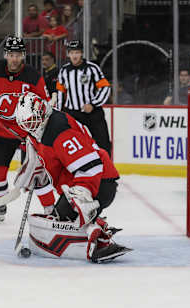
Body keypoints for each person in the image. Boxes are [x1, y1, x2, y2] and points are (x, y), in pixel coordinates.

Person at [12, 91, 131, 263]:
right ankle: (97, 228)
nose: (30, 126)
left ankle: (97, 237)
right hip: (79, 184)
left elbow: (90, 166)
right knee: (58, 219)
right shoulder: (40, 127)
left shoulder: (59, 130)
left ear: (41, 112)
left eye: (32, 121)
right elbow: (41, 165)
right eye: (26, 123)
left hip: (99, 183)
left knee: (67, 219)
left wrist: (82, 197)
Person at [0, 35, 50, 223]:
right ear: (6, 55)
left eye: (18, 54)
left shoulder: (33, 77)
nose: (14, 59)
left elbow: (46, 105)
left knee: (35, 175)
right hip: (2, 132)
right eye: (11, 54)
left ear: (23, 55)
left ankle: (50, 210)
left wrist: (37, 128)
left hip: (27, 135)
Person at [56, 40, 112, 156]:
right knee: (73, 145)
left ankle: (106, 172)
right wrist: (59, 111)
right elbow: (60, 92)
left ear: (81, 53)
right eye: (72, 53)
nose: (74, 55)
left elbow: (105, 87)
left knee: (103, 143)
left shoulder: (92, 68)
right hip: (73, 114)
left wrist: (93, 104)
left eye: (77, 52)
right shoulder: (64, 71)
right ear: (68, 54)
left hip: (93, 113)